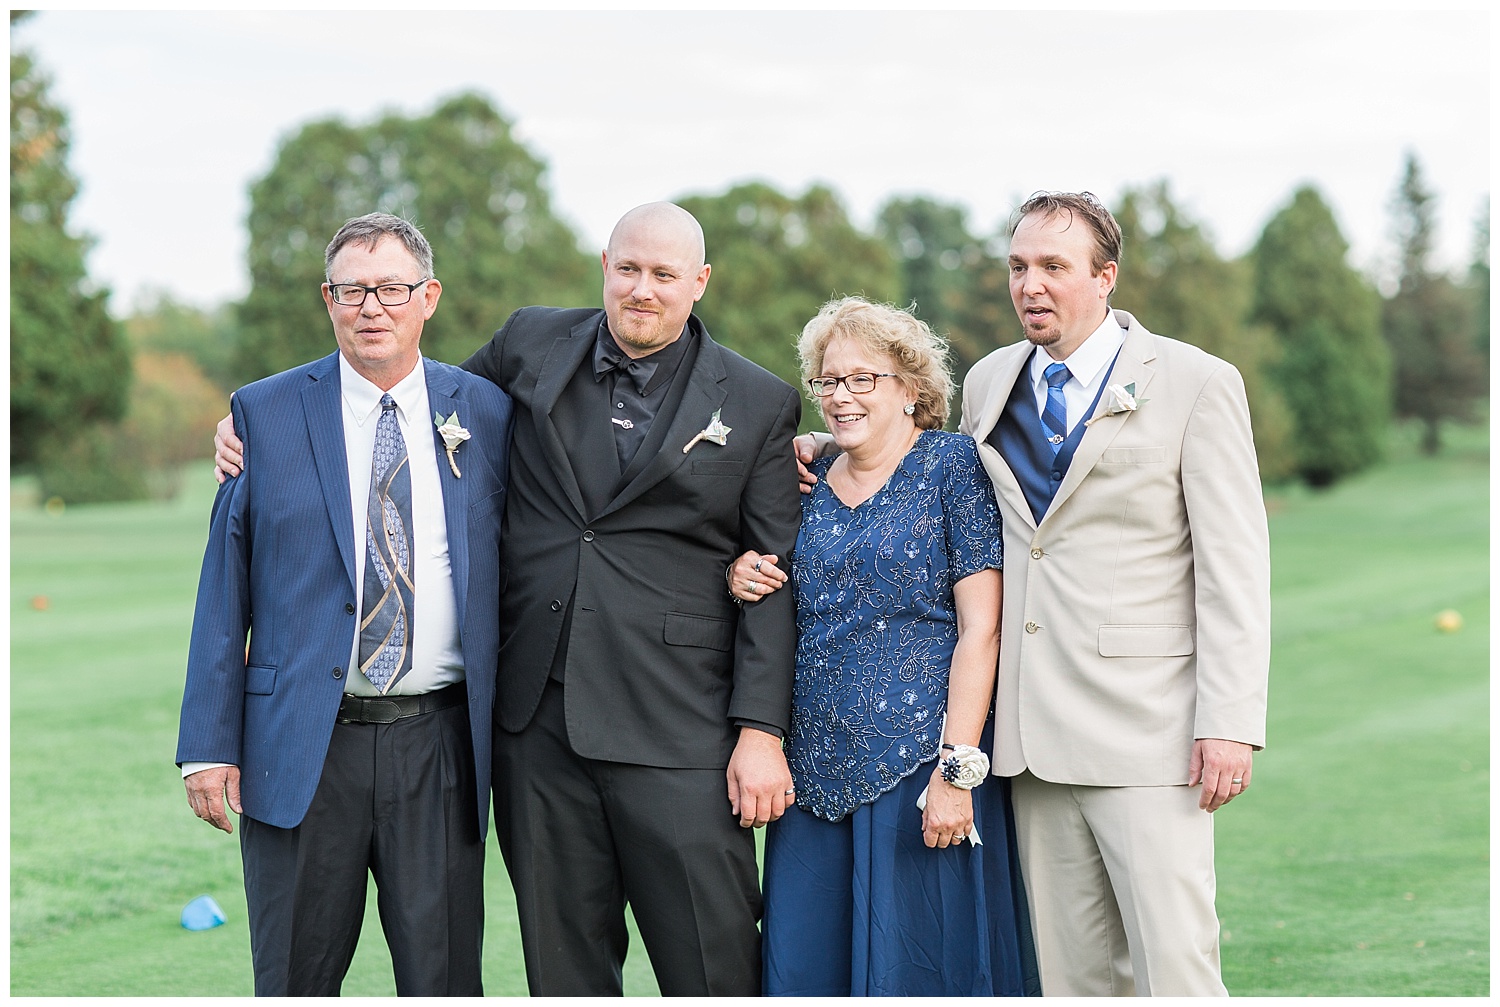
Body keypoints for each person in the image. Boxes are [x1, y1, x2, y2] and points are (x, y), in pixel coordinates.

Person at [216, 202, 803, 996]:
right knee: (562, 970)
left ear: (698, 282)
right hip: (536, 731)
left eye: (664, 274)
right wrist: (267, 423)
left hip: (679, 729)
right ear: (605, 264)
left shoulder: (763, 403)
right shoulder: (531, 343)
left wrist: (760, 730)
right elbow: (415, 400)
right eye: (628, 268)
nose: (642, 289)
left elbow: (774, 574)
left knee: (712, 962)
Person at [177, 213, 514, 995]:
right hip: (300, 745)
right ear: (327, 299)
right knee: (294, 976)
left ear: (427, 297)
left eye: (392, 288)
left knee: (443, 979)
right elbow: (223, 586)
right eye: (352, 290)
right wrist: (206, 742)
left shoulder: (490, 413)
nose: (372, 307)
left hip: (439, 745)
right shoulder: (263, 411)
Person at [957, 191, 1271, 995]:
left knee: (1177, 969)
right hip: (1029, 737)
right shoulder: (990, 382)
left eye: (1054, 267)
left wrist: (1229, 723)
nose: (1031, 284)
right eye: (1019, 267)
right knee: (1071, 979)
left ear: (1106, 277)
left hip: (1149, 735)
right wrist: (828, 444)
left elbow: (1234, 568)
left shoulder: (1197, 382)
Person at [727, 296, 1038, 996]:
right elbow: (767, 582)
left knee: (924, 966)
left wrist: (957, 771)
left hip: (920, 772)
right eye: (829, 380)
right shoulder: (799, 480)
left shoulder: (951, 465)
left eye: (863, 378)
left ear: (911, 389)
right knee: (808, 966)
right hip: (810, 776)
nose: (842, 395)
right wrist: (735, 571)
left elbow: (980, 628)